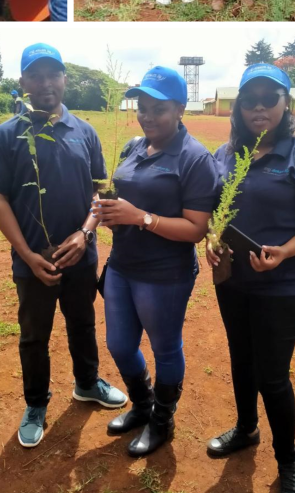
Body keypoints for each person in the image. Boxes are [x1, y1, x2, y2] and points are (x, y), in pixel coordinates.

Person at [0, 44, 129, 448]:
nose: (46, 83)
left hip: (80, 255)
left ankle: (86, 383)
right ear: (23, 83)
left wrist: (84, 234)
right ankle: (35, 404)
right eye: (36, 75)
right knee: (34, 334)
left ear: (65, 79)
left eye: (53, 74)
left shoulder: (85, 132)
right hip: (33, 260)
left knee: (82, 323)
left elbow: (99, 195)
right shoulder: (7, 136)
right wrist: (28, 255)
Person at [202, 64, 295, 493]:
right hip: (233, 281)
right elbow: (213, 217)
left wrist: (285, 252)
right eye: (250, 99)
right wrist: (211, 241)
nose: (259, 106)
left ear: (285, 104)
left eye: (269, 98)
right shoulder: (224, 156)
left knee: (272, 375)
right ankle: (245, 428)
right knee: (241, 361)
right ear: (238, 106)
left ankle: (287, 460)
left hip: (282, 285)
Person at [93, 66, 221, 458]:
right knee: (119, 343)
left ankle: (162, 420)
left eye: (158, 108)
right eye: (142, 107)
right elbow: (117, 195)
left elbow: (196, 229)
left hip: (164, 273)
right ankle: (142, 404)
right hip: (121, 264)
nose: (147, 115)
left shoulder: (195, 159)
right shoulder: (134, 146)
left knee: (165, 349)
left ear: (181, 108)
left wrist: (140, 218)